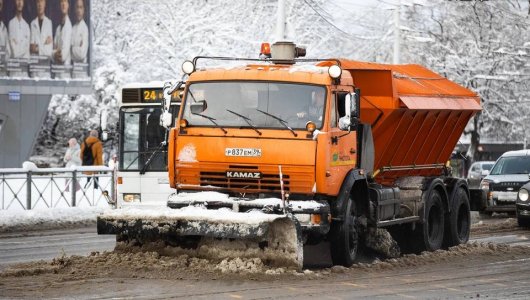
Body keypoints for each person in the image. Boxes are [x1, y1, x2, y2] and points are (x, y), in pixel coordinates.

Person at [52, 0, 71, 65]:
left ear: (68, 5)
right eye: (61, 2)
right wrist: (54, 53)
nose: (63, 4)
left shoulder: (69, 27)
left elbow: (62, 56)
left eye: (65, 1)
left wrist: (53, 53)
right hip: (57, 69)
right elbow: (53, 47)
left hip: (65, 70)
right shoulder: (58, 28)